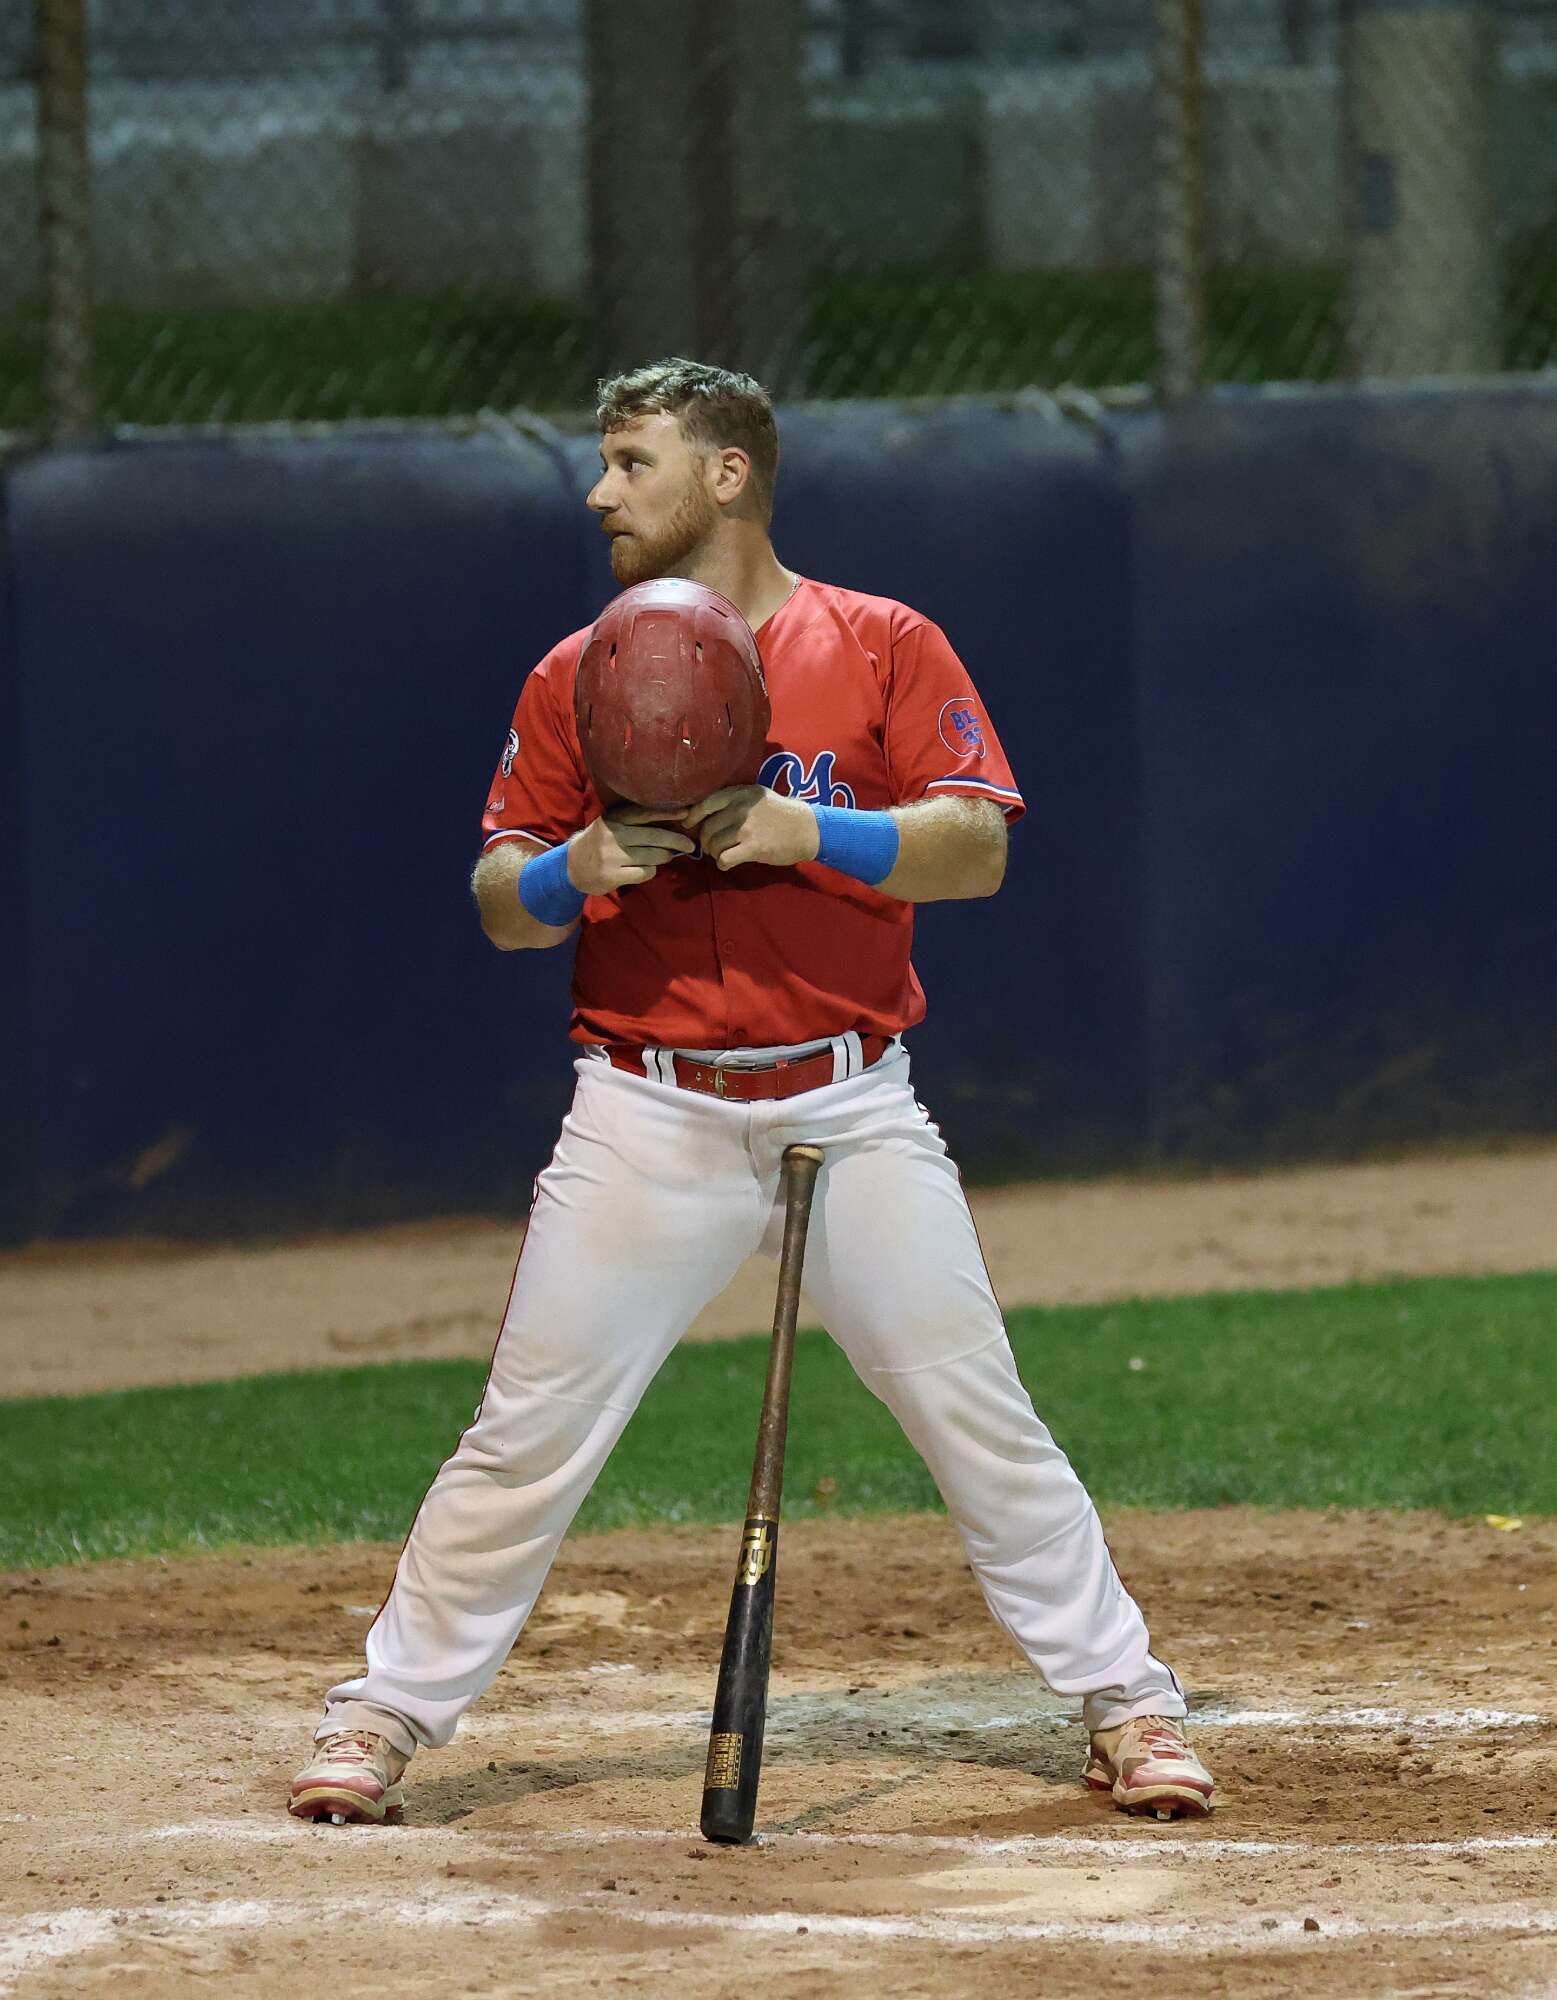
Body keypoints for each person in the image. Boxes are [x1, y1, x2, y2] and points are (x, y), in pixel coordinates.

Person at [288, 358, 1215, 1828]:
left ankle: (1127, 1702)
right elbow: (498, 901)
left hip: (848, 1106)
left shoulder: (884, 642)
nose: (599, 491)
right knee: (527, 1433)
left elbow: (974, 849)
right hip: (645, 1109)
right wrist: (572, 868)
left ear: (727, 474)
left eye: (631, 461)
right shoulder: (577, 669)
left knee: (975, 1412)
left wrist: (809, 832)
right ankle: (382, 1714)